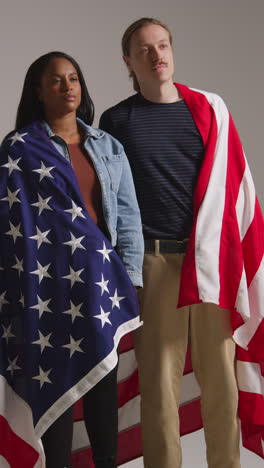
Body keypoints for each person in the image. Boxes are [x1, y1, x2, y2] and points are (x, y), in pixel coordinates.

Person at [99, 18, 264, 468]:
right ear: (129, 61)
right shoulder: (117, 121)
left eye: (163, 45)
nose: (157, 56)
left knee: (221, 382)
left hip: (210, 260)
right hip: (155, 264)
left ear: (172, 49)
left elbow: (233, 191)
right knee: (159, 384)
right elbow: (111, 199)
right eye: (145, 50)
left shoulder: (209, 110)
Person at [0, 51, 144, 468]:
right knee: (58, 378)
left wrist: (132, 281)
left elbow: (129, 218)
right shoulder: (20, 149)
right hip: (47, 285)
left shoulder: (107, 146)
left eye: (74, 78)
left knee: (101, 380)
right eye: (57, 80)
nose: (68, 87)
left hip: (102, 283)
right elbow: (9, 223)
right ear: (39, 91)